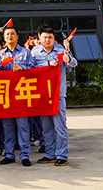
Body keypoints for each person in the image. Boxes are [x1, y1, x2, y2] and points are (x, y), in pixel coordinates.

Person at [31, 25, 78, 166]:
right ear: (39, 39)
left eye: (50, 37)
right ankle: (50, 154)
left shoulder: (60, 50)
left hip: (58, 94)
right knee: (46, 127)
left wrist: (68, 58)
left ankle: (62, 155)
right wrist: (47, 63)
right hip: (43, 94)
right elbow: (30, 69)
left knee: (60, 125)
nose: (47, 40)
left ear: (54, 39)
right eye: (44, 37)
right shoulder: (35, 52)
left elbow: (73, 65)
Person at [0, 26, 34, 167]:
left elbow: (34, 69)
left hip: (21, 94)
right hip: (6, 95)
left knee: (23, 126)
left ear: (17, 37)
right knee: (8, 126)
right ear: (4, 38)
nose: (10, 36)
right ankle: (9, 154)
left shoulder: (25, 53)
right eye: (7, 34)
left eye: (12, 34)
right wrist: (1, 64)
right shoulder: (0, 54)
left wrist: (22, 68)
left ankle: (24, 155)